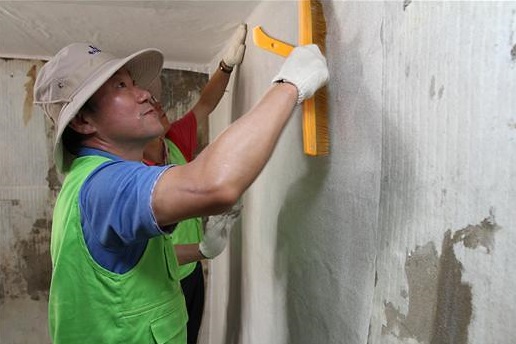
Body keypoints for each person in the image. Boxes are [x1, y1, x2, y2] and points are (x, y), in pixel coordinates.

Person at [33, 37, 328, 343]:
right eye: (121, 86)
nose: (146, 94)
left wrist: (202, 251)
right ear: (82, 120)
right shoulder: (103, 185)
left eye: (134, 83)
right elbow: (215, 185)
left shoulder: (91, 180)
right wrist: (289, 85)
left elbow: (137, 271)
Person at [143, 24, 247, 344]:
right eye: (148, 105)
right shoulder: (135, 178)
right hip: (161, 281)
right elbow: (147, 259)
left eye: (156, 101)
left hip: (190, 274)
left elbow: (205, 105)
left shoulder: (173, 141)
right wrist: (202, 249)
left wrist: (225, 66)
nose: (158, 105)